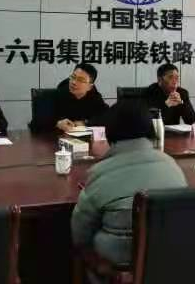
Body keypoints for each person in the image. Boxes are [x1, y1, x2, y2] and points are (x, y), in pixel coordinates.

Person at [71, 100, 187, 266]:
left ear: (110, 133)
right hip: (167, 264)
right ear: (151, 130)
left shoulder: (101, 172)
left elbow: (79, 234)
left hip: (117, 270)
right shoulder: (172, 166)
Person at [29, 63, 109, 134]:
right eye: (73, 77)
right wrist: (57, 124)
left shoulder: (95, 98)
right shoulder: (58, 94)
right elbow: (35, 123)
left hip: (84, 142)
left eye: (80, 80)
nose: (74, 82)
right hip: (55, 142)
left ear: (89, 87)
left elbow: (107, 118)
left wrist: (85, 123)